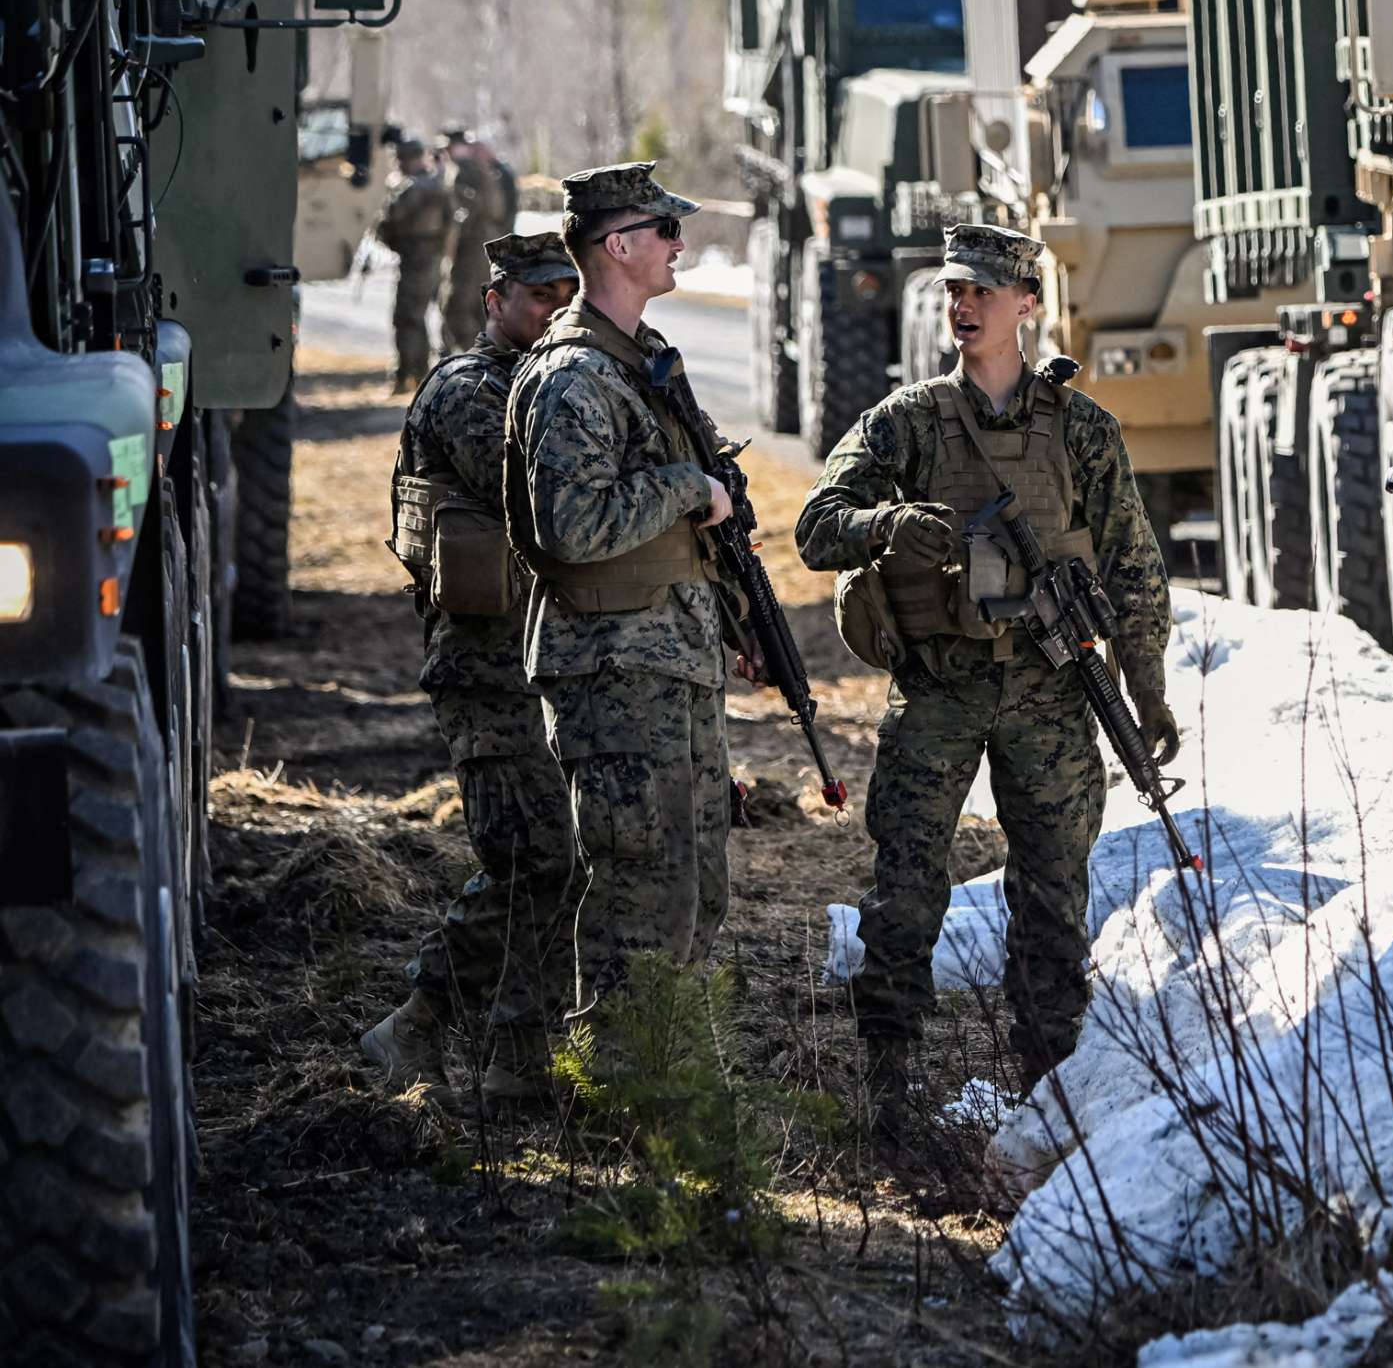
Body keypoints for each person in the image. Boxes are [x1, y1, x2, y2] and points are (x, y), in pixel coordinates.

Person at [795, 224, 1175, 1100]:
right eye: (953, 292)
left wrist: (1146, 685)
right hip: (940, 686)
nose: (963, 306)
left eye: (983, 293)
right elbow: (816, 525)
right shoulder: (908, 422)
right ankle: (888, 1076)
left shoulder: (1082, 429)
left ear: (1027, 306)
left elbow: (1132, 563)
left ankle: (1046, 1081)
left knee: (1052, 893)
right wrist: (886, 526)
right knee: (907, 887)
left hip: (1050, 690)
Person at [503, 161, 739, 1014]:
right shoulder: (574, 377)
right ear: (621, 244)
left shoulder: (639, 363)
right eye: (666, 230)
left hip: (671, 661)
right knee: (641, 903)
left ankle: (669, 1088)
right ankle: (618, 1104)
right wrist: (683, 488)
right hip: (613, 671)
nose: (681, 244)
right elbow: (573, 526)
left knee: (697, 891)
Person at [362, 231, 583, 1098]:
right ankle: (417, 1020)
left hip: (546, 667)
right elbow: (551, 494)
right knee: (532, 860)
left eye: (568, 292)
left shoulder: (552, 385)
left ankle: (517, 1058)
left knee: (558, 862)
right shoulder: (469, 392)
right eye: (538, 296)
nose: (555, 309)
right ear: (494, 302)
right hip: (487, 675)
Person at [377, 137, 455, 392]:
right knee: (418, 316)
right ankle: (418, 372)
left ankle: (406, 375)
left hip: (417, 258)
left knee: (406, 316)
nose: (399, 164)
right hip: (428, 256)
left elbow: (390, 217)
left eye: (402, 159)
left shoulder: (415, 187)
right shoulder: (436, 184)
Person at [441, 130, 522, 354]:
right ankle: (487, 356)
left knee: (455, 308)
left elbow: (461, 213)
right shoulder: (489, 173)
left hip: (472, 247)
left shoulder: (462, 171)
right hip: (490, 245)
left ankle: (473, 356)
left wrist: (451, 245)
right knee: (481, 308)